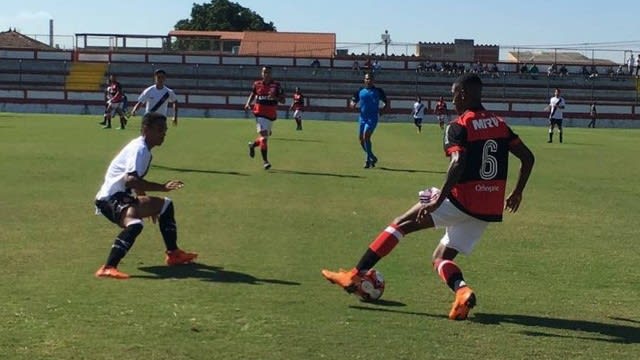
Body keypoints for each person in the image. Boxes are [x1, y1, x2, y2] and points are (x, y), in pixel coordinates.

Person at [321, 73, 535, 321]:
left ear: (463, 94)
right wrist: (517, 191)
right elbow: (528, 157)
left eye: (455, 94)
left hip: (460, 199)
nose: (453, 99)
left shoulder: (459, 125)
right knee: (440, 258)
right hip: (487, 209)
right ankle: (462, 292)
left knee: (401, 223)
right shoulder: (500, 124)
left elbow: (458, 163)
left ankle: (356, 273)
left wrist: (438, 199)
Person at [94, 112, 198, 279]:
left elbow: (135, 181)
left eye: (164, 130)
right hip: (109, 199)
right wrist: (162, 187)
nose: (163, 133)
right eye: (159, 129)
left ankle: (173, 254)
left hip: (121, 197)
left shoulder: (144, 149)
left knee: (165, 205)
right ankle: (108, 267)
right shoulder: (140, 149)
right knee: (135, 224)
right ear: (145, 130)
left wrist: (146, 202)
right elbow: (130, 180)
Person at [244, 65, 285, 170]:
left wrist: (274, 97)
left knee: (264, 138)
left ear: (271, 74)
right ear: (261, 73)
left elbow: (283, 100)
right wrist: (248, 103)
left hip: (271, 115)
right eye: (264, 72)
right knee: (264, 139)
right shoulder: (257, 84)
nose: (266, 74)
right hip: (259, 114)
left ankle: (252, 145)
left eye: (268, 72)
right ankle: (265, 161)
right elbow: (252, 94)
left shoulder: (276, 85)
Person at [350, 72, 388, 168]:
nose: (368, 80)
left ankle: (368, 159)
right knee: (361, 140)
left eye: (370, 79)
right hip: (362, 118)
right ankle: (372, 157)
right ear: (364, 80)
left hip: (372, 118)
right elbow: (353, 100)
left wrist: (383, 108)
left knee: (366, 136)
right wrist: (352, 104)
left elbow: (386, 102)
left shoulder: (378, 91)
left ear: (373, 80)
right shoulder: (360, 91)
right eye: (366, 79)